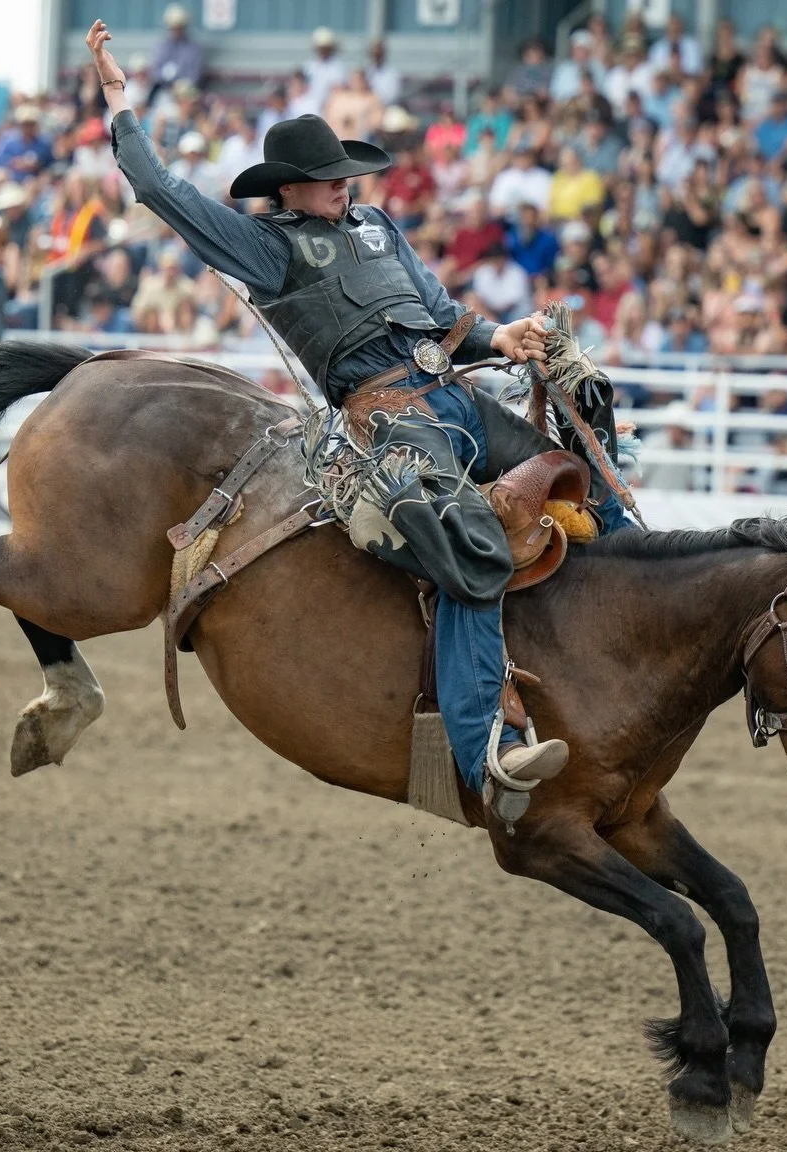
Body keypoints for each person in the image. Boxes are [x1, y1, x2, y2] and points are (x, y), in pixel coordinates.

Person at [88, 20, 631, 792]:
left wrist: (501, 336)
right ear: (287, 189)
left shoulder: (377, 226)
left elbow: (442, 317)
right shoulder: (264, 246)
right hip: (394, 426)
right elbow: (159, 188)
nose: (345, 184)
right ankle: (485, 751)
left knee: (591, 478)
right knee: (469, 551)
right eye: (327, 175)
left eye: (345, 171)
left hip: (458, 395)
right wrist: (117, 97)